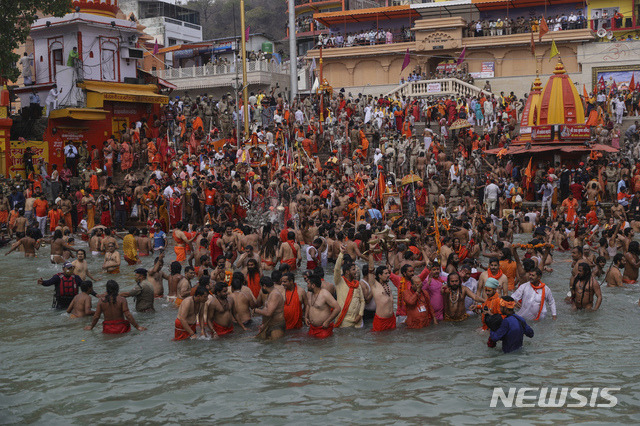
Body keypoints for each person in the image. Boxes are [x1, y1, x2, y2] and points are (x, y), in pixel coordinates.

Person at [334, 250, 364, 328]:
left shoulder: (357, 284)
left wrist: (360, 315)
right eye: (353, 270)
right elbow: (337, 269)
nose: (356, 271)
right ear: (347, 272)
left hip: (357, 322)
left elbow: (362, 301)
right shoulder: (339, 282)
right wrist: (341, 254)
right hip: (344, 322)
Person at [306, 274, 341, 338]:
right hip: (312, 328)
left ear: (313, 285)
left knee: (323, 347)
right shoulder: (309, 294)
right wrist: (306, 317)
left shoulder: (325, 294)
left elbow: (337, 308)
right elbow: (309, 305)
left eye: (308, 284)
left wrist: (327, 321)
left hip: (323, 329)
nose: (307, 286)